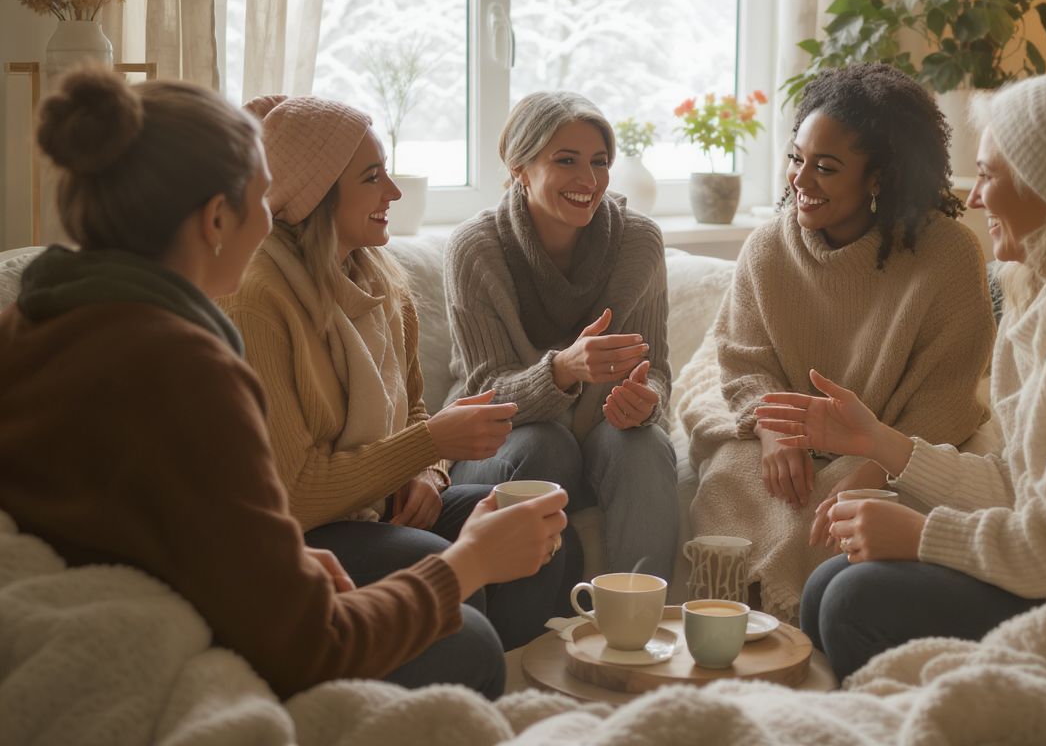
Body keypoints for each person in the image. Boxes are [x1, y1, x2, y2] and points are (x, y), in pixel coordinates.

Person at [0, 69, 566, 700]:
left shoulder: (27, 324)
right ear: (218, 219)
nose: (272, 225)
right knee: (469, 643)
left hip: (147, 601)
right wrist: (470, 562)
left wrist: (280, 563)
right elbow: (310, 641)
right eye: (263, 201)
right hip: (175, 646)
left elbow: (169, 527)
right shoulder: (190, 365)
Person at [767, 69, 1046, 681]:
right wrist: (878, 441)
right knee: (829, 582)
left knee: (856, 599)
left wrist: (920, 535)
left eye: (989, 174)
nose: (975, 198)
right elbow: (1021, 482)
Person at [221, 94, 566, 650]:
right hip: (304, 534)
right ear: (317, 195)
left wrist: (430, 470)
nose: (394, 192)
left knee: (538, 526)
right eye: (373, 177)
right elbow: (292, 494)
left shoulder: (381, 278)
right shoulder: (258, 301)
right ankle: (465, 674)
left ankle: (495, 673)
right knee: (438, 563)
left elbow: (417, 414)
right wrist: (427, 444)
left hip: (376, 507)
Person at [686, 63, 996, 619]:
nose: (800, 181)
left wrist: (877, 462)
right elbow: (743, 360)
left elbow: (947, 398)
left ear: (879, 177)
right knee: (729, 473)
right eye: (795, 159)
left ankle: (800, 636)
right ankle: (727, 636)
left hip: (892, 447)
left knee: (854, 508)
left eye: (825, 168)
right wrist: (776, 432)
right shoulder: (767, 249)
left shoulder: (947, 255)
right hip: (788, 444)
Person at [443, 91, 679, 581]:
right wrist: (564, 369)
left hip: (601, 438)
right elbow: (482, 393)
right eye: (566, 160)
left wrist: (645, 399)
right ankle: (538, 632)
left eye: (600, 162)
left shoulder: (639, 242)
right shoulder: (475, 249)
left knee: (646, 447)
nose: (588, 181)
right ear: (519, 167)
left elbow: (655, 369)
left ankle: (638, 625)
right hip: (501, 445)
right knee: (545, 445)